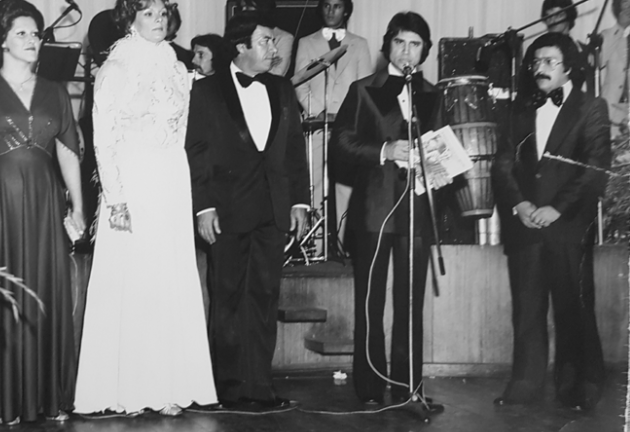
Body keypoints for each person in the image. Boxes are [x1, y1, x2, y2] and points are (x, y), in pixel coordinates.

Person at [74, 0, 217, 417]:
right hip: (132, 180)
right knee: (134, 280)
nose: (158, 20)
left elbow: (184, 129)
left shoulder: (176, 66)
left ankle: (169, 385)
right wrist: (115, 196)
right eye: (149, 12)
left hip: (170, 179)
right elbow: (103, 138)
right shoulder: (116, 68)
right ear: (130, 19)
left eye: (163, 12)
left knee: (168, 278)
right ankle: (128, 389)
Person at [186, 11, 310, 410]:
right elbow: (196, 152)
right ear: (241, 46)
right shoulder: (206, 91)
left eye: (273, 41)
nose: (274, 48)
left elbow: (295, 148)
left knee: (264, 297)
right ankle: (227, 389)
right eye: (266, 41)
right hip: (226, 210)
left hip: (272, 209)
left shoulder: (282, 88)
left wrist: (300, 201)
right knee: (226, 299)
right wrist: (203, 206)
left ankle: (260, 387)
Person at [0, 0, 85, 425]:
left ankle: (46, 397)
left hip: (45, 201)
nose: (33, 39)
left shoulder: (55, 90)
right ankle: (1, 401)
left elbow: (67, 151)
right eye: (21, 32)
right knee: (2, 293)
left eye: (36, 33)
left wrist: (77, 205)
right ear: (1, 41)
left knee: (44, 293)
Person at [491, 32, 610, 410]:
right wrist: (519, 204)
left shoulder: (592, 107)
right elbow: (502, 164)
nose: (539, 69)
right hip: (525, 224)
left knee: (573, 307)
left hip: (568, 225)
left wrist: (556, 208)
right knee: (527, 309)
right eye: (535, 62)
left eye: (549, 62)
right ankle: (524, 384)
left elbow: (595, 167)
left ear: (568, 67)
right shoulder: (519, 108)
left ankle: (578, 387)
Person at [330, 11, 443, 405]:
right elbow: (340, 144)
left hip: (417, 210)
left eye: (415, 44)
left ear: (424, 51)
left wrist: (441, 165)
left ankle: (409, 387)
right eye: (400, 42)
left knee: (411, 303)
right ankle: (369, 387)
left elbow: (442, 148)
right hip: (374, 210)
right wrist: (384, 149)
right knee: (370, 302)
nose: (407, 51)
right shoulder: (363, 89)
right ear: (388, 45)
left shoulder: (434, 94)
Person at [294, 0, 373, 254]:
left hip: (348, 129)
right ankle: (315, 248)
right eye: (327, 5)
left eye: (337, 6)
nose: (331, 11)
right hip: (317, 126)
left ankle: (343, 246)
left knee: (346, 187)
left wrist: (348, 116)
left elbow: (365, 86)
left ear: (346, 10)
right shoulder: (306, 43)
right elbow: (299, 84)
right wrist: (319, 111)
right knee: (315, 185)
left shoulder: (360, 44)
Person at [540, 0, 594, 94]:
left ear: (569, 16)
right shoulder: (538, 51)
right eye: (548, 16)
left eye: (558, 15)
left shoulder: (582, 50)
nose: (552, 20)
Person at [232, 0, 293, 76]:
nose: (243, 10)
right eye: (241, 7)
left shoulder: (284, 37)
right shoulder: (235, 33)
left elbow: (277, 74)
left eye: (247, 6)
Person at [600, 0, 630, 139]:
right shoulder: (607, 35)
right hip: (610, 111)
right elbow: (599, 61)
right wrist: (621, 26)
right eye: (625, 2)